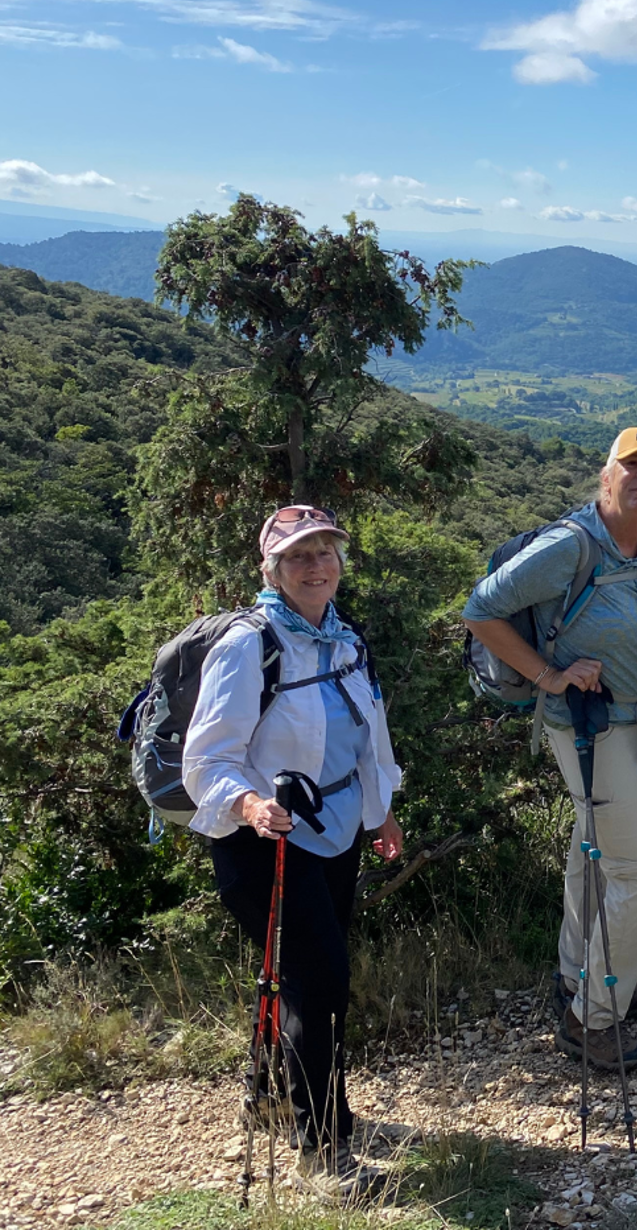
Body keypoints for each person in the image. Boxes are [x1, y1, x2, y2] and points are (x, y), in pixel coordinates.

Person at [182, 505, 405, 1189]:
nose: (316, 566)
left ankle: (285, 1097)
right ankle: (323, 1152)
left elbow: (368, 734)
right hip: (264, 843)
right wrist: (249, 803)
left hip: (334, 831)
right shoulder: (250, 644)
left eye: (325, 552)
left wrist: (381, 812)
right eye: (298, 556)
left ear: (340, 561)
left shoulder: (344, 638)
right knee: (321, 981)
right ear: (271, 570)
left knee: (314, 975)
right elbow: (205, 758)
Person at [463, 427, 637, 1070]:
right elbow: (481, 610)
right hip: (588, 724)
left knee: (596, 848)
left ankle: (581, 974)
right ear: (605, 476)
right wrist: (548, 676)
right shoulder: (572, 545)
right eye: (630, 466)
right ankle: (592, 1018)